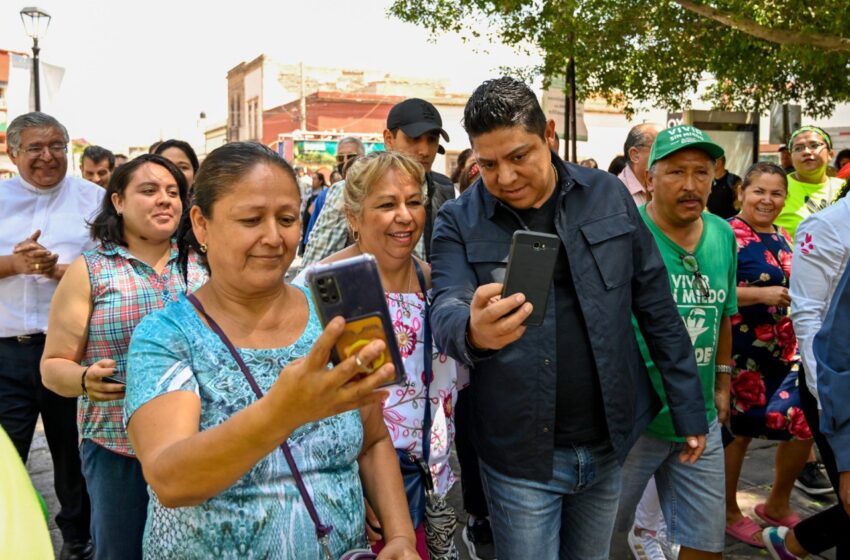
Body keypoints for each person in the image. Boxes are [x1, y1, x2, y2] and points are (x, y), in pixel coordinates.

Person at [430, 78, 707, 560]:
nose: (506, 176)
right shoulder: (458, 218)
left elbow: (656, 304)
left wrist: (689, 408)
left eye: (519, 156)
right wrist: (472, 330)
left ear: (550, 135)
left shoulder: (606, 194)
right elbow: (447, 306)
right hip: (519, 454)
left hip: (608, 443)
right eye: (488, 164)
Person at [123, 142, 418, 559]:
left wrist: (401, 537)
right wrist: (283, 412)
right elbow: (172, 481)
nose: (274, 237)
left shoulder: (334, 313)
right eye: (250, 219)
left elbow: (372, 439)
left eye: (286, 219)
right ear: (201, 224)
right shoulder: (166, 336)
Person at [40, 154, 204, 559]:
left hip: (202, 443)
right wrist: (83, 379)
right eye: (148, 191)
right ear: (117, 201)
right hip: (117, 447)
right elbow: (52, 365)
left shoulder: (203, 267)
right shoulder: (90, 271)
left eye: (173, 192)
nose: (164, 200)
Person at [311, 151, 464, 556]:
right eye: (386, 204)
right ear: (353, 216)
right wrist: (345, 489)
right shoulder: (324, 290)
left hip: (430, 486)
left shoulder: (439, 284)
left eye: (414, 202)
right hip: (362, 491)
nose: (405, 216)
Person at [612, 125, 736, 560]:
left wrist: (722, 380)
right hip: (635, 421)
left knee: (705, 544)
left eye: (701, 173)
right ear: (649, 178)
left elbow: (723, 314)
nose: (690, 185)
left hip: (699, 421)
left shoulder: (723, 234)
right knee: (600, 542)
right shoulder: (624, 236)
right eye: (675, 172)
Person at [0, 111, 101, 560]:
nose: (48, 157)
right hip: (6, 354)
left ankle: (77, 541)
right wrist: (14, 265)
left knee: (73, 455)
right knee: (5, 458)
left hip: (71, 349)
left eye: (57, 147)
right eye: (35, 148)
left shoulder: (94, 200)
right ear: (13, 151)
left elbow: (111, 268)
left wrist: (59, 270)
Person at [723, 162, 813, 548]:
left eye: (776, 193)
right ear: (742, 191)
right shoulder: (724, 234)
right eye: (759, 191)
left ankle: (776, 504)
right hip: (740, 352)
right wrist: (760, 295)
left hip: (784, 350)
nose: (768, 200)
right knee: (739, 435)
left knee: (803, 423)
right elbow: (710, 288)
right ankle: (727, 512)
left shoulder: (785, 237)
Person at [765, 160, 850, 558]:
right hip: (835, 386)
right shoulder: (827, 226)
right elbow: (809, 317)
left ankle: (794, 544)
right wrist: (828, 403)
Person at [303, 99, 454, 264]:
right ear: (389, 139)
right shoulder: (348, 190)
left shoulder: (443, 189)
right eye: (414, 138)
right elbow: (312, 274)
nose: (425, 151)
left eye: (432, 139)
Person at [774, 126, 844, 241]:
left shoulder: (845, 189)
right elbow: (744, 227)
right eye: (798, 148)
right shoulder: (776, 187)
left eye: (814, 145)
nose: (806, 152)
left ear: (830, 154)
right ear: (791, 157)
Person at [618, 123, 659, 205]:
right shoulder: (617, 192)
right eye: (657, 149)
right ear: (635, 155)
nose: (665, 155)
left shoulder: (663, 184)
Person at [300, 171, 328, 254]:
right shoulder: (308, 191)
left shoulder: (324, 192)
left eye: (315, 179)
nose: (313, 181)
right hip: (307, 221)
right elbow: (304, 206)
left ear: (321, 181)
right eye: (312, 179)